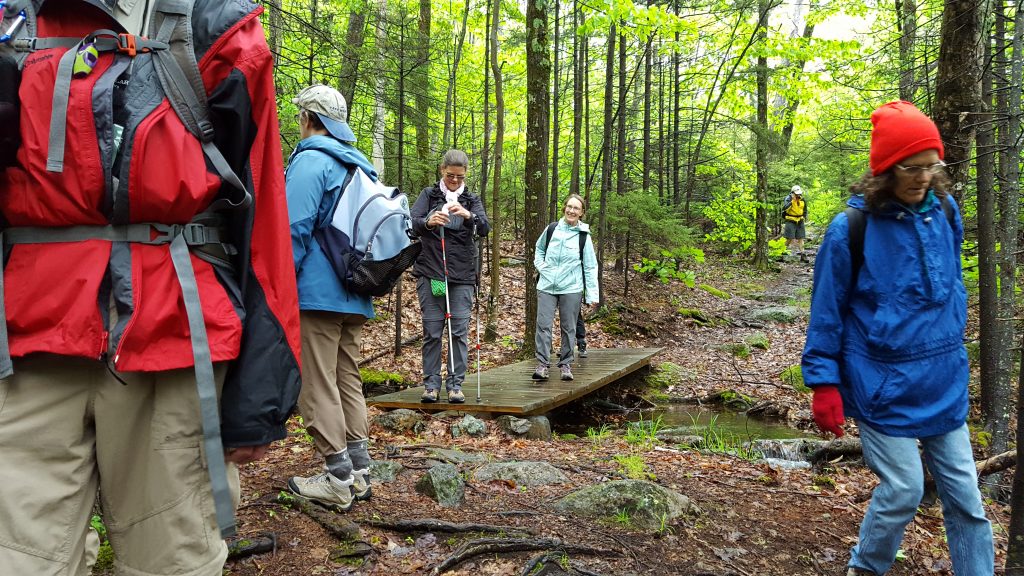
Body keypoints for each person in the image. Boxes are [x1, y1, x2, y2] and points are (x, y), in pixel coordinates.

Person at [0, 1, 301, 574]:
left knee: (173, 560)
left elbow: (262, 217)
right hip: (26, 343)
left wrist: (262, 395)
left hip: (176, 340)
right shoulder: (12, 19)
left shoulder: (217, 27)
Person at [802, 101, 994, 576]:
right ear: (886, 169)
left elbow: (952, 285)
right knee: (904, 490)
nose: (924, 177)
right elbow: (827, 312)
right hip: (881, 383)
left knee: (968, 500)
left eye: (933, 166)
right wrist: (824, 383)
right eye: (912, 167)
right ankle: (865, 569)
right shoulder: (851, 228)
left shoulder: (946, 210)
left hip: (942, 381)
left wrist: (953, 335)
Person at [285, 85, 376, 512]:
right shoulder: (362, 168)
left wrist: (278, 286)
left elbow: (293, 229)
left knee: (317, 382)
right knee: (346, 379)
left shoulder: (312, 161)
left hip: (317, 295)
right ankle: (359, 472)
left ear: (308, 118)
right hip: (356, 290)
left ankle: (337, 479)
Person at [411, 150, 490, 404]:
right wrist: (429, 221)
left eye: (459, 176)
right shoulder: (428, 195)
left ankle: (455, 385)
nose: (455, 180)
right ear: (441, 170)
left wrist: (469, 216)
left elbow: (485, 228)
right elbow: (411, 224)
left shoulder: (471, 199)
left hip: (463, 275)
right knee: (432, 330)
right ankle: (431, 385)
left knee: (458, 331)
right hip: (432, 271)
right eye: (450, 175)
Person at [533, 194, 599, 381]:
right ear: (564, 208)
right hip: (546, 285)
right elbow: (539, 249)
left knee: (569, 327)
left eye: (576, 208)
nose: (571, 210)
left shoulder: (583, 237)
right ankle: (542, 364)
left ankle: (566, 364)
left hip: (571, 287)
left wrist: (592, 294)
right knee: (543, 325)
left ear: (582, 213)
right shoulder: (552, 229)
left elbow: (590, 266)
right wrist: (542, 267)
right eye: (569, 207)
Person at [783, 184, 807, 257]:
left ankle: (803, 254)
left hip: (800, 220)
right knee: (789, 238)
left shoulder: (802, 199)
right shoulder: (788, 199)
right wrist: (792, 201)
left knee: (801, 238)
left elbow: (805, 209)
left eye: (799, 194)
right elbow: (785, 208)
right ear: (792, 193)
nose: (798, 195)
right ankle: (781, 251)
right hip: (790, 220)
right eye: (796, 194)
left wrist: (804, 216)